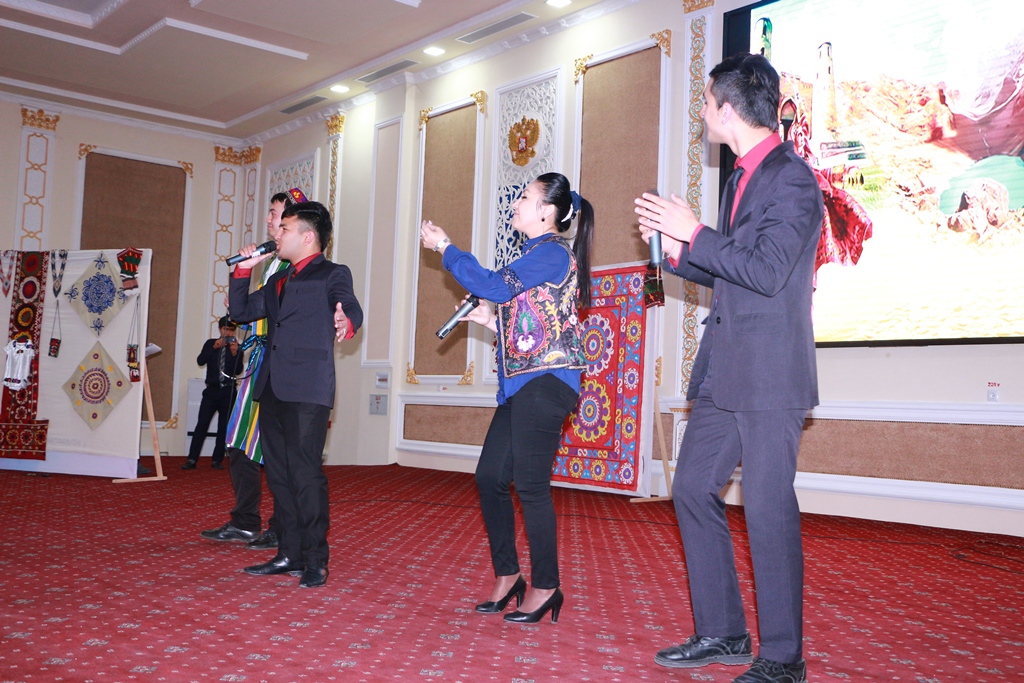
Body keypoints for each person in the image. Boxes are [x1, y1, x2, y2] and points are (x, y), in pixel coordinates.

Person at [633, 53, 823, 683]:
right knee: (691, 488)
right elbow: (733, 268)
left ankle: (784, 658)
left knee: (766, 509)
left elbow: (767, 272)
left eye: (706, 100)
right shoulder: (740, 177)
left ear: (729, 108)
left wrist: (695, 231)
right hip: (724, 369)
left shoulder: (792, 179)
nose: (701, 110)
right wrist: (677, 249)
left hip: (769, 375)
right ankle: (724, 631)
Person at [419, 172, 594, 624]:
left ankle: (547, 585)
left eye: (525, 196)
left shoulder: (553, 252)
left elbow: (495, 286)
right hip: (522, 385)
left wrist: (445, 247)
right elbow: (534, 325)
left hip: (547, 382)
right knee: (490, 476)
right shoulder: (535, 255)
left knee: (531, 485)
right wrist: (490, 322)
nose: (516, 202)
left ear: (546, 211)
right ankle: (508, 575)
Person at [229, 200, 362, 589]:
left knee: (305, 475)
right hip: (271, 387)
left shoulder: (332, 273)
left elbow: (349, 305)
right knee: (280, 476)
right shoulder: (277, 280)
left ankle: (315, 558)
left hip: (308, 388)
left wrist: (347, 321)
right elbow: (241, 312)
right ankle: (289, 553)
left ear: (307, 236)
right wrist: (244, 270)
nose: (277, 233)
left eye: (284, 228)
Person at [201, 191, 296, 546]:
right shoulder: (272, 264)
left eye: (275, 213)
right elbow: (253, 313)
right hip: (258, 365)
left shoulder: (293, 266)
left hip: (277, 370)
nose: (269, 220)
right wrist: (242, 299)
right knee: (239, 443)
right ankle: (245, 520)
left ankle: (281, 527)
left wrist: (248, 306)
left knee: (277, 451)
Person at [182, 316, 244, 470]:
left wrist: (235, 354)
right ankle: (192, 459)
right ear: (219, 329)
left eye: (231, 330)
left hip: (228, 391)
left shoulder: (237, 347)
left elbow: (238, 371)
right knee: (202, 424)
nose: (228, 333)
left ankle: (217, 459)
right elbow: (200, 361)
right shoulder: (210, 343)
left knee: (223, 427)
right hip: (211, 391)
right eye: (225, 329)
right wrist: (214, 348)